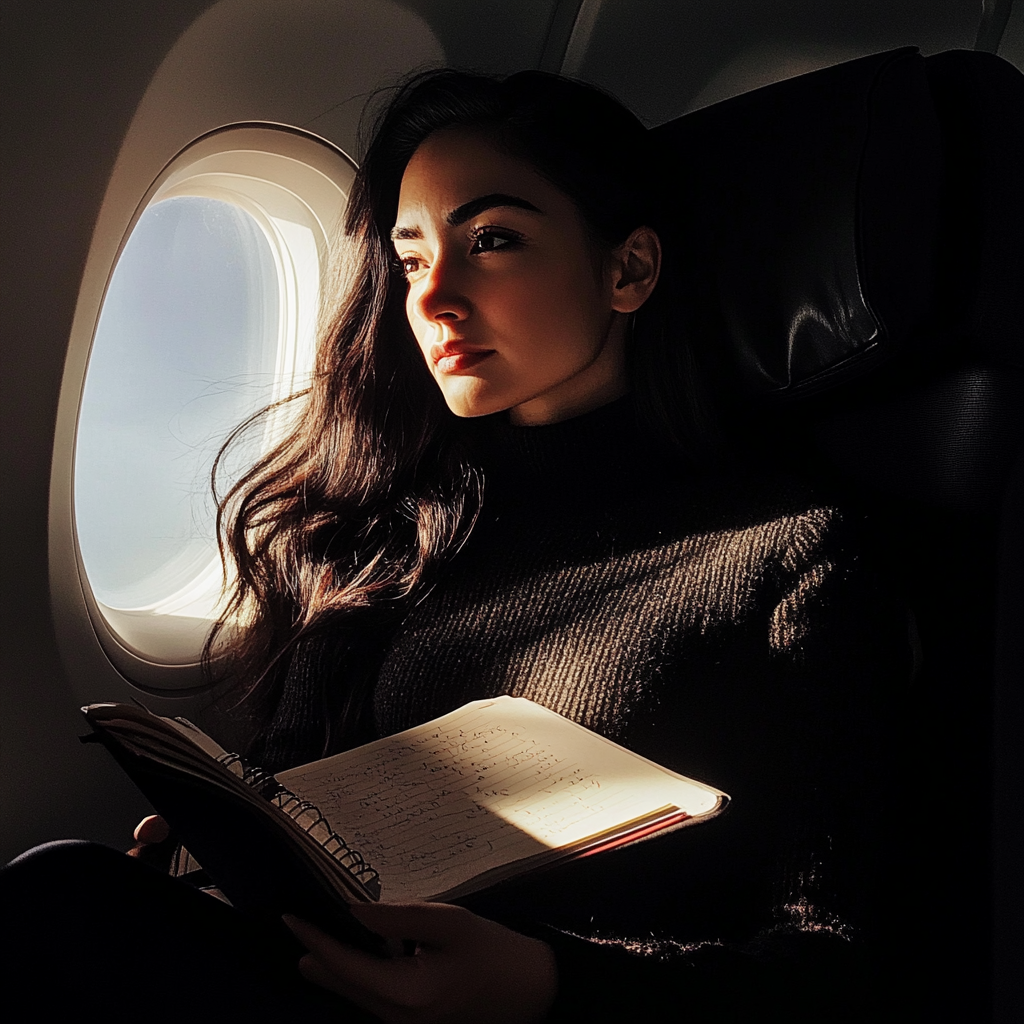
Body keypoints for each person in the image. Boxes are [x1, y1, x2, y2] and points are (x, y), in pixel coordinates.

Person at [1, 69, 910, 1022]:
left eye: (492, 242)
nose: (434, 297)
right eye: (411, 259)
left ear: (629, 269)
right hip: (314, 987)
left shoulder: (788, 554)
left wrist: (544, 985)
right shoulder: (390, 536)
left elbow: (833, 966)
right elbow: (299, 809)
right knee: (72, 894)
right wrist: (221, 857)